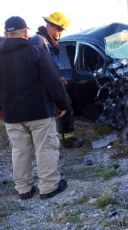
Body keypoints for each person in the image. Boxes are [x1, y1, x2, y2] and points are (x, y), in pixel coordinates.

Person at [0, 16, 68, 199]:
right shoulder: (35, 51)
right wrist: (62, 104)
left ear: (6, 33)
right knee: (45, 147)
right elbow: (52, 81)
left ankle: (24, 189)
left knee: (19, 151)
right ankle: (48, 187)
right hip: (39, 112)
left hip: (12, 114)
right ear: (24, 32)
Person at [30, 12, 83, 148]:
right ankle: (64, 140)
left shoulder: (49, 41)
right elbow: (41, 66)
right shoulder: (39, 41)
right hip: (46, 84)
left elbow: (52, 64)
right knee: (64, 108)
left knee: (65, 108)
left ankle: (64, 138)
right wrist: (54, 79)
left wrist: (59, 76)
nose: (60, 33)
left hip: (53, 81)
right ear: (52, 26)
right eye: (59, 29)